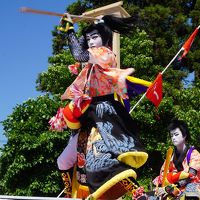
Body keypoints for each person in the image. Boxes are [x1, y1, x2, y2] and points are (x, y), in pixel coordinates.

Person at [52, 13, 150, 199]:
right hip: (86, 115)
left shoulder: (104, 53)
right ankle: (69, 193)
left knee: (104, 161)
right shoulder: (93, 58)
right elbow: (82, 50)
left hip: (102, 114)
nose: (90, 41)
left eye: (95, 37)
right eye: (88, 38)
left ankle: (138, 193)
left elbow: (79, 54)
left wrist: (70, 30)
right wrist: (80, 29)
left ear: (105, 38)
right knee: (63, 161)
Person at [152, 118, 200, 199]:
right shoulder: (170, 156)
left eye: (176, 134)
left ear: (184, 135)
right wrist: (161, 187)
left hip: (191, 188)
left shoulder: (194, 154)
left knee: (191, 190)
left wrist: (170, 188)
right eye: (171, 135)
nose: (173, 138)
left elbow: (191, 177)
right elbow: (163, 175)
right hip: (173, 189)